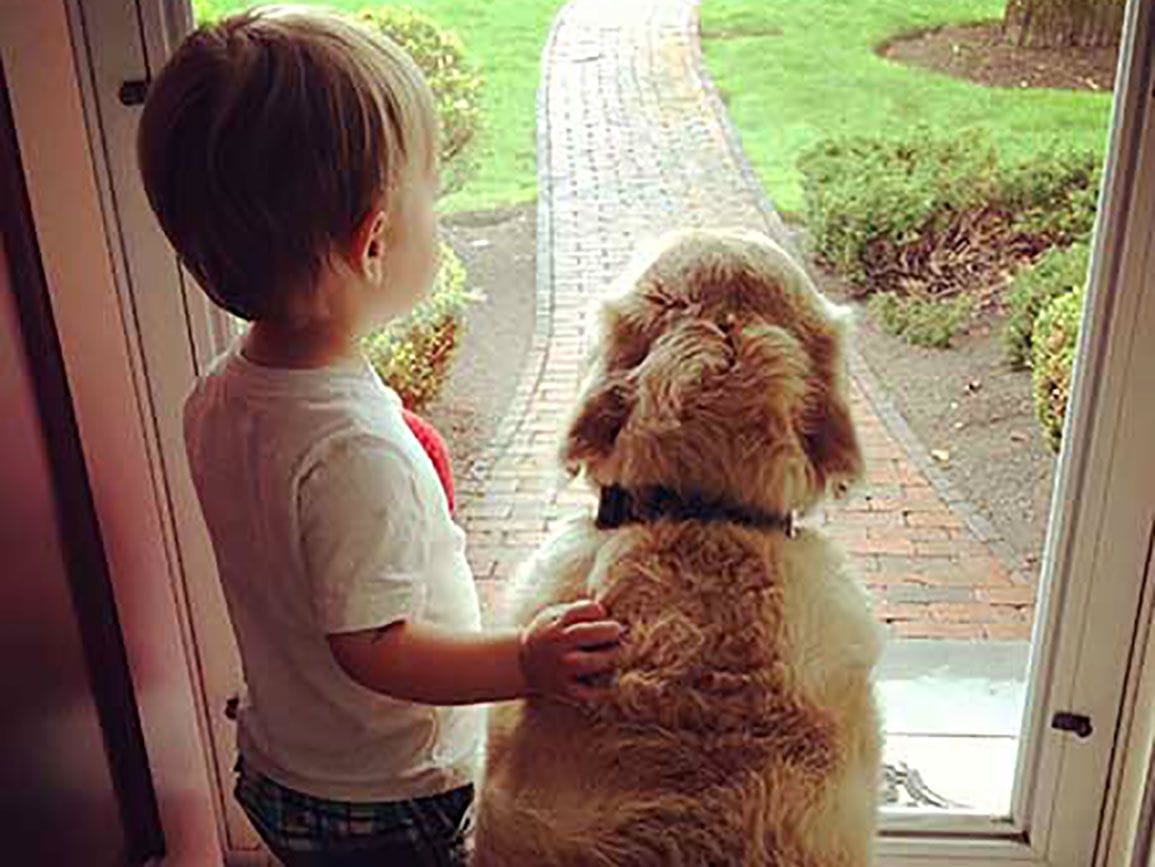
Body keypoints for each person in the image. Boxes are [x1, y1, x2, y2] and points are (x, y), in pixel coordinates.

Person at [137, 8, 623, 865]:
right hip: (388, 794)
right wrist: (525, 662)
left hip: (286, 761)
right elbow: (374, 647)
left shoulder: (220, 394)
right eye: (431, 192)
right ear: (374, 241)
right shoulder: (352, 448)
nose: (439, 210)